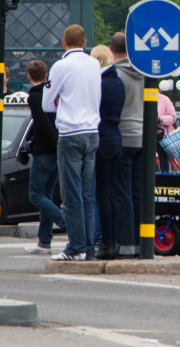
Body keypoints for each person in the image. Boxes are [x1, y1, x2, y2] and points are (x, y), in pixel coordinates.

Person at [44, 25, 102, 261]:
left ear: (63, 42)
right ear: (85, 42)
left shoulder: (61, 66)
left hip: (70, 134)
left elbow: (46, 104)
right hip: (92, 133)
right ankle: (89, 246)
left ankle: (75, 246)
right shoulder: (94, 64)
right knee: (88, 193)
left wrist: (61, 101)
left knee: (71, 195)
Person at [23, 60, 64, 255]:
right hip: (57, 151)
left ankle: (66, 222)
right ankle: (44, 241)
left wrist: (54, 143)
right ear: (46, 74)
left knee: (36, 195)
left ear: (29, 76)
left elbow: (42, 124)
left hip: (44, 151)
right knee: (47, 195)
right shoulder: (53, 93)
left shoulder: (34, 97)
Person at [111, 33, 145, 257]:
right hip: (143, 139)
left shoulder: (115, 75)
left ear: (112, 50)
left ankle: (125, 244)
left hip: (122, 137)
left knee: (121, 193)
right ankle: (142, 243)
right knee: (138, 193)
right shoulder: (144, 75)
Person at [93, 48, 125, 258]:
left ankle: (105, 242)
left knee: (101, 194)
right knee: (112, 193)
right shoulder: (118, 83)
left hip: (102, 138)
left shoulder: (100, 84)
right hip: (116, 138)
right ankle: (113, 240)